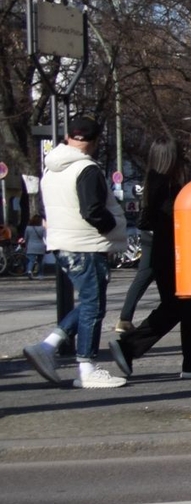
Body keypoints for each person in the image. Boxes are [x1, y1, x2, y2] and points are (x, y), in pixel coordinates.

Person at [23, 115, 129, 389]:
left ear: (68, 136)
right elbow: (92, 211)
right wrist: (113, 225)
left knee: (90, 303)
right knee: (95, 306)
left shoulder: (52, 169)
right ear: (94, 142)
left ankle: (48, 346)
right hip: (86, 244)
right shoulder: (86, 169)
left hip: (62, 242)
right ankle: (87, 367)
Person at [111, 140, 191, 380]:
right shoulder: (169, 186)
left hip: (165, 252)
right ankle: (133, 347)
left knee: (185, 307)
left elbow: (147, 221)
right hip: (173, 253)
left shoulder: (154, 182)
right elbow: (165, 218)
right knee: (184, 306)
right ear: (172, 158)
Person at [117, 139, 178, 335]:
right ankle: (127, 332)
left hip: (149, 234)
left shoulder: (151, 180)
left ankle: (125, 319)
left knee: (145, 276)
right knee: (173, 299)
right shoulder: (168, 184)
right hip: (161, 238)